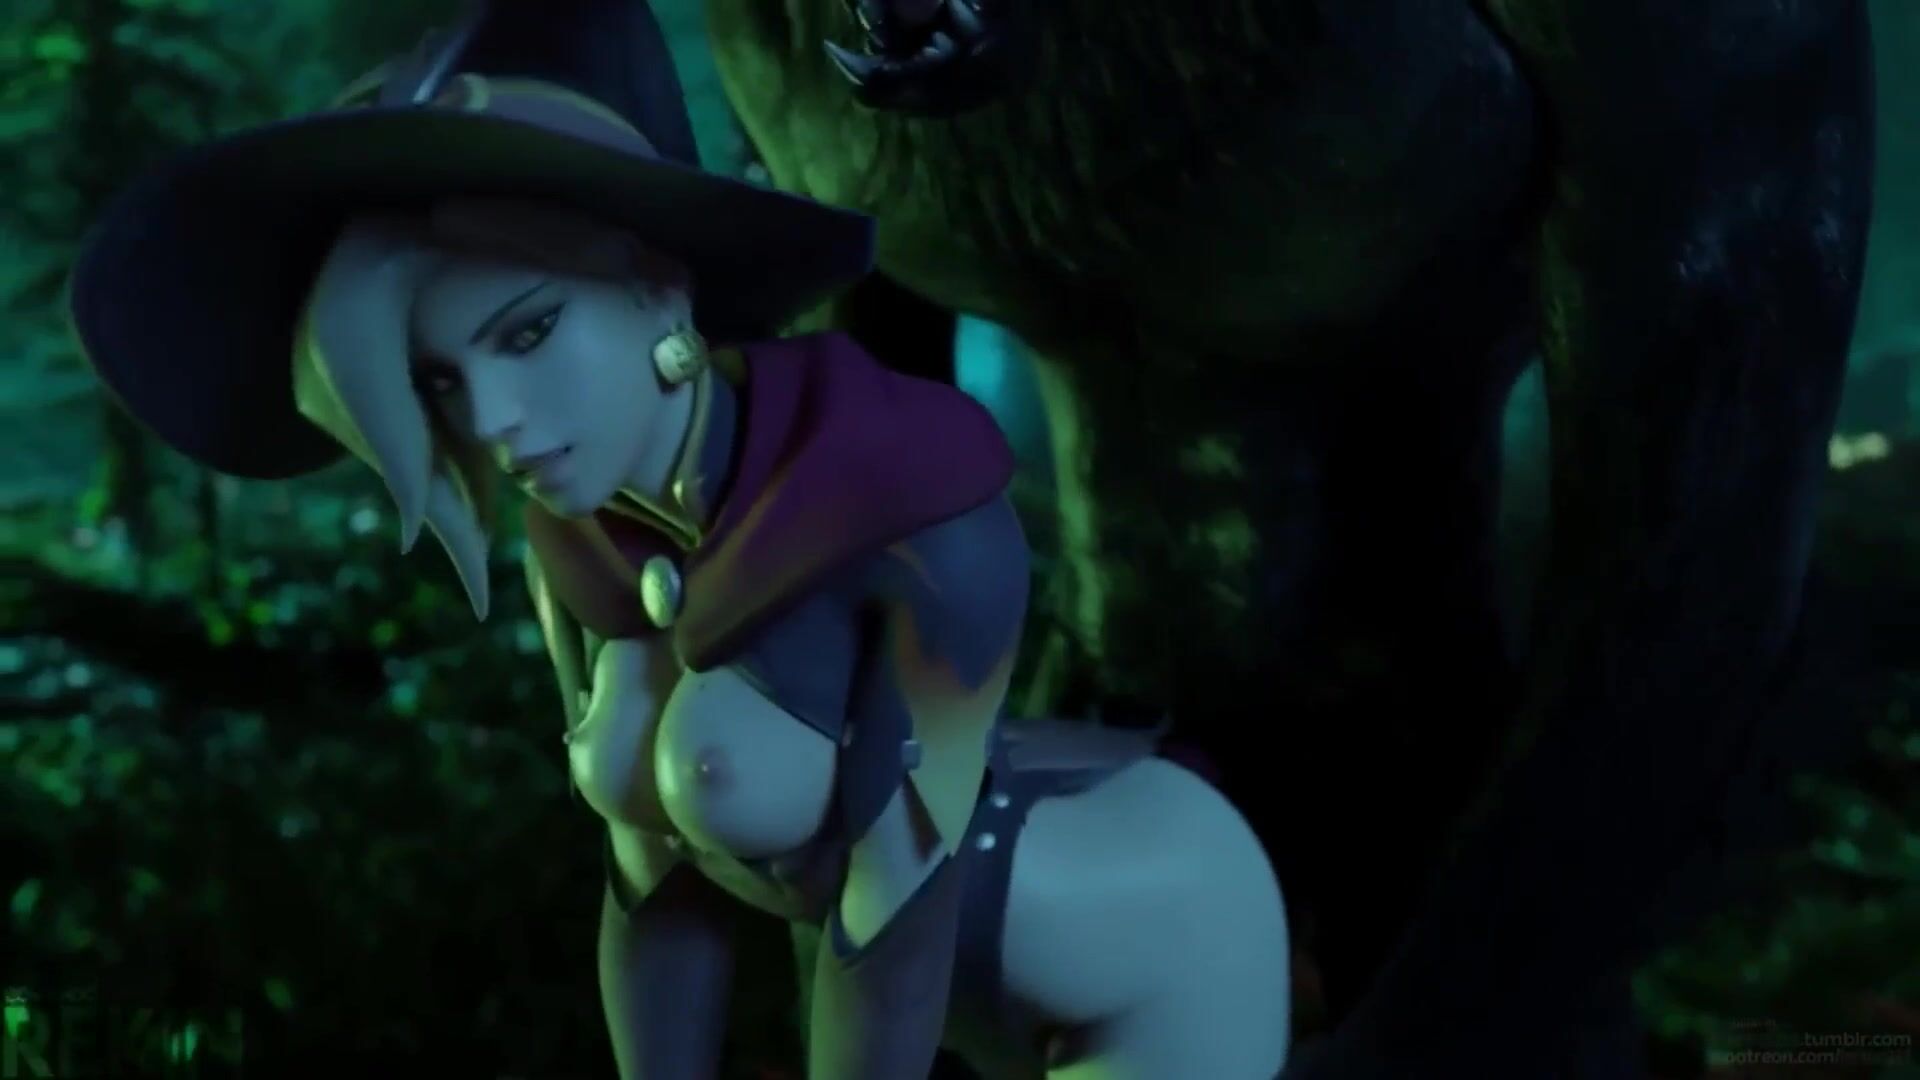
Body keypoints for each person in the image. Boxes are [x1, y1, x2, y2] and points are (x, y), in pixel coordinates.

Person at [67, 2, 1291, 1076]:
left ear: (660, 285)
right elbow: (652, 886)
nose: (490, 421)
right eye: (439, 381)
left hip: (1148, 960)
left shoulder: (908, 500)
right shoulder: (581, 540)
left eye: (529, 334)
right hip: (934, 1018)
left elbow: (894, 918)